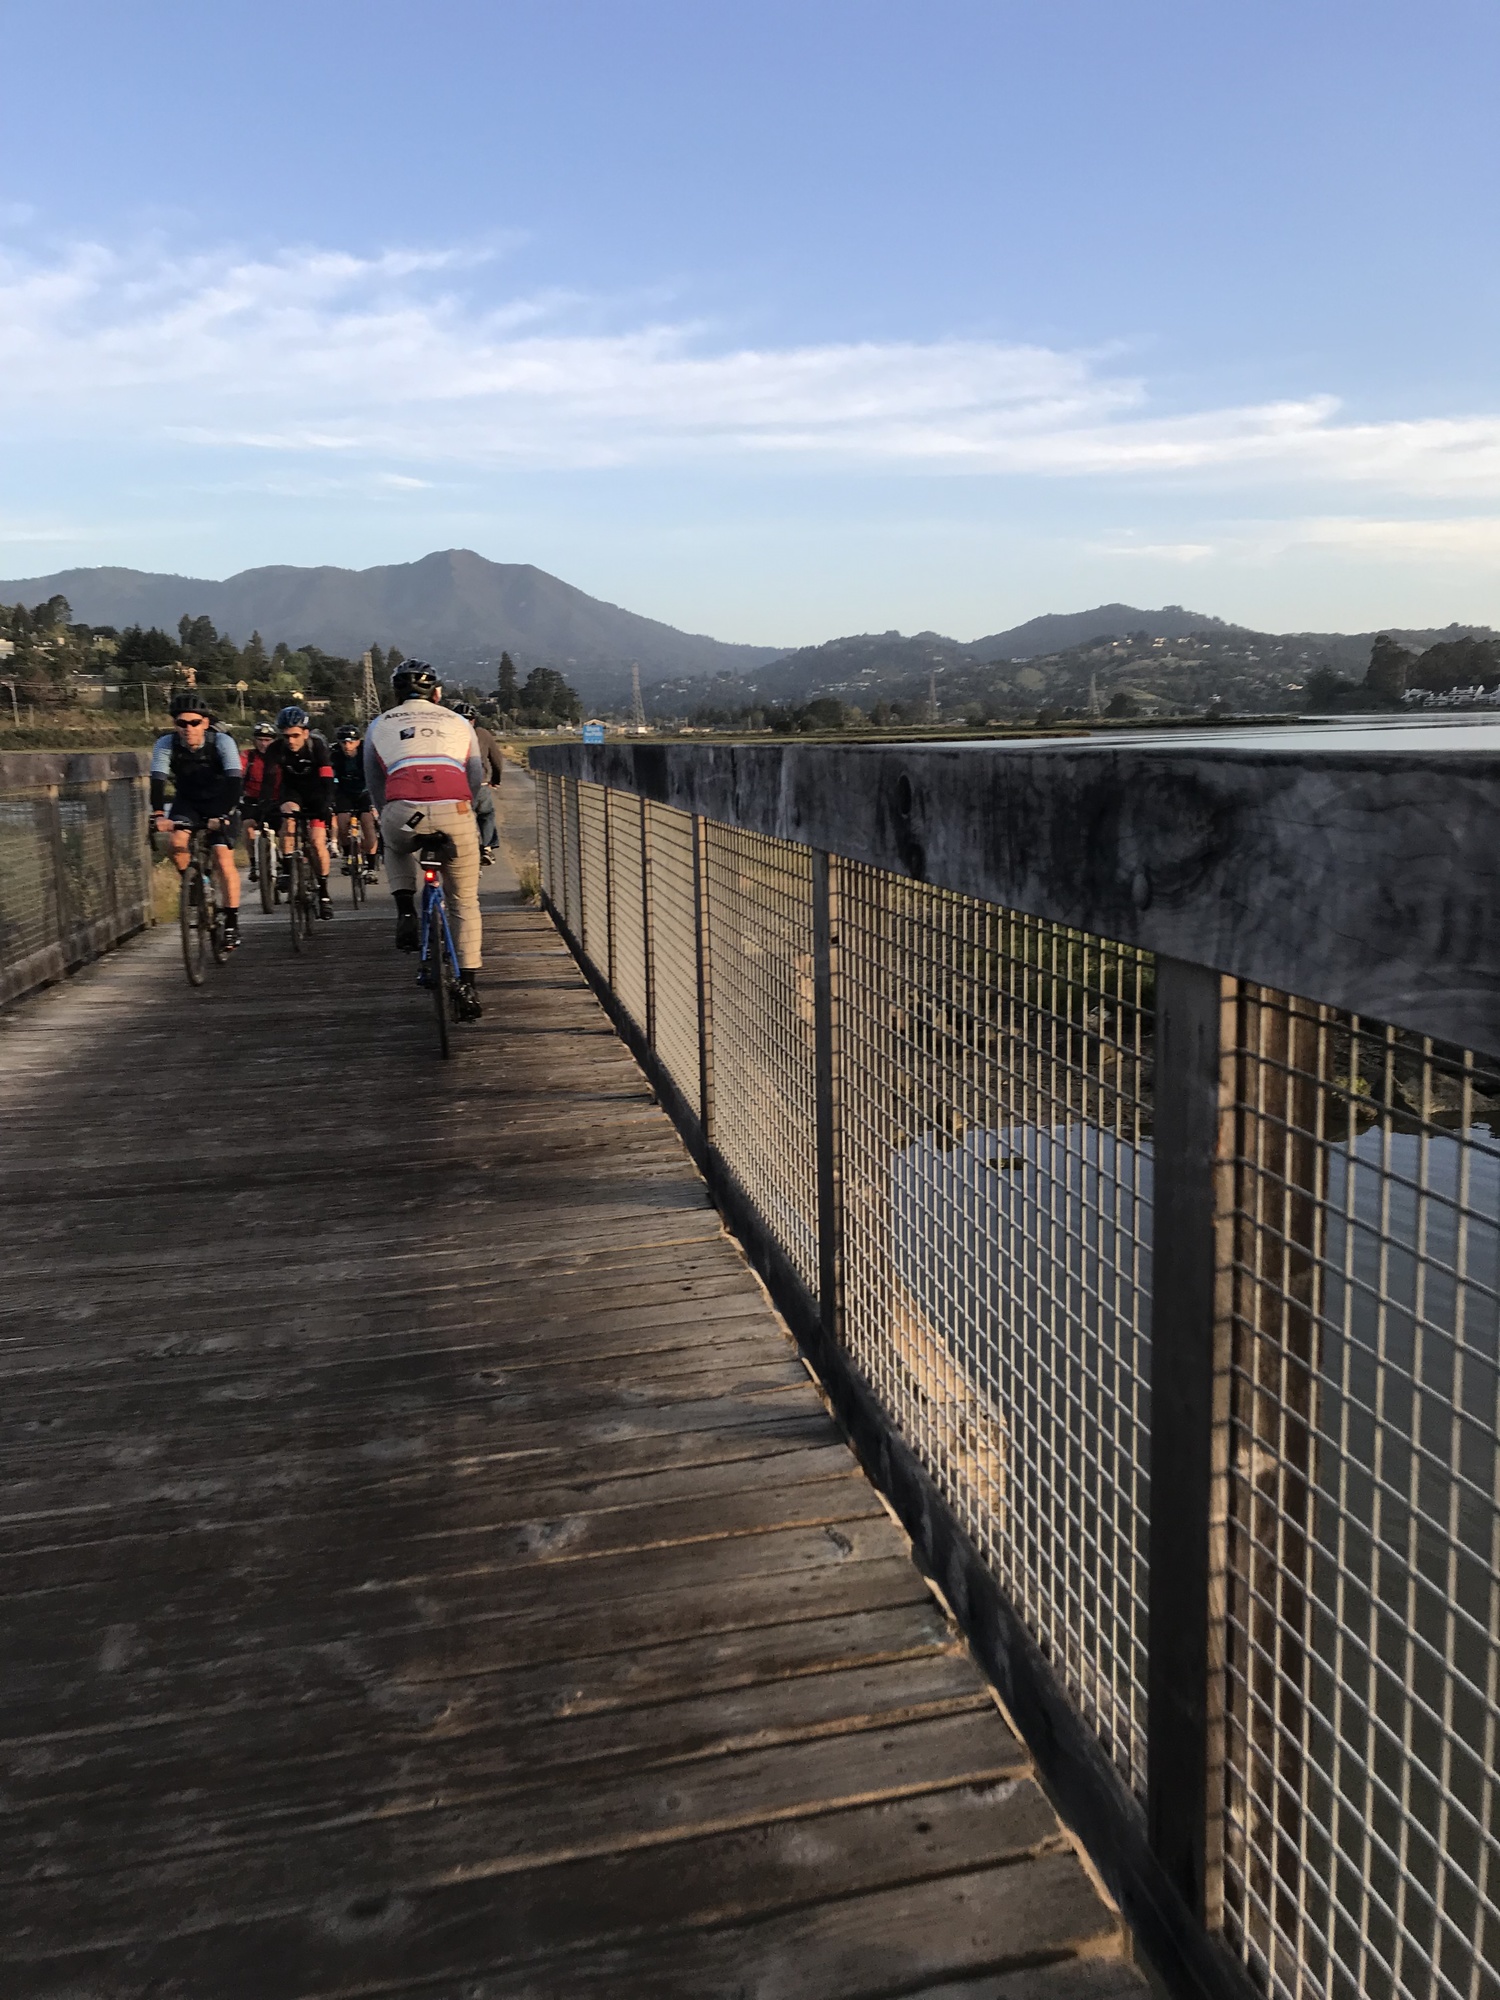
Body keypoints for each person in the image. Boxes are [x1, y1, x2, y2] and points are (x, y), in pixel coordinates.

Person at [364, 661, 485, 1020]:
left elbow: (376, 786)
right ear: (437, 694)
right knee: (464, 901)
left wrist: (392, 814)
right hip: (455, 812)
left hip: (405, 812)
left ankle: (405, 909)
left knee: (394, 840)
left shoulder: (380, 724)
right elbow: (474, 778)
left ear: (396, 695)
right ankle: (469, 985)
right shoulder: (460, 722)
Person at [149, 692, 244, 946]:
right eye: (182, 723)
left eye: (194, 723)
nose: (188, 729)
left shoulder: (221, 742)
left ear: (204, 722)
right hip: (188, 801)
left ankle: (232, 922)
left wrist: (224, 814)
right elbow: (157, 780)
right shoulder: (166, 744)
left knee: (223, 858)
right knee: (176, 844)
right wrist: (158, 814)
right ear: (175, 725)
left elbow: (235, 781)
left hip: (221, 800)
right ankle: (197, 884)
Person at [242, 705, 336, 919]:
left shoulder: (317, 746)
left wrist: (328, 803)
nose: (291, 741)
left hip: (316, 793)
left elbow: (327, 777)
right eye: (286, 736)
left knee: (317, 841)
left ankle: (323, 891)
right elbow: (269, 778)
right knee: (288, 818)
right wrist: (265, 804)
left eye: (295, 735)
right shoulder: (276, 749)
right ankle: (287, 867)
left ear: (305, 732)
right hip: (292, 792)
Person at [447, 700, 504, 864]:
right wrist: (495, 779)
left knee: (457, 817)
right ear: (473, 720)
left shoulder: (448, 735)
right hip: (480, 784)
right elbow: (497, 760)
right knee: (486, 814)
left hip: (454, 786)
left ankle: (458, 846)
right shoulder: (482, 733)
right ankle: (486, 848)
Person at [331, 723, 379, 879]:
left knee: (367, 822)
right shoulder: (334, 754)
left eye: (351, 742)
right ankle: (347, 855)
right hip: (345, 792)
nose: (347, 746)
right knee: (342, 822)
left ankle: (371, 866)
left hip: (365, 792)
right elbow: (330, 777)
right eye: (343, 742)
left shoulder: (366, 754)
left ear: (358, 742)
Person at [240, 720, 277, 883]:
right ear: (254, 741)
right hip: (253, 800)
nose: (263, 743)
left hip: (276, 800)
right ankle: (254, 862)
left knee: (287, 829)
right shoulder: (248, 757)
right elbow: (236, 772)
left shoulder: (280, 758)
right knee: (247, 825)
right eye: (260, 739)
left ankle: (288, 861)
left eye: (267, 740)